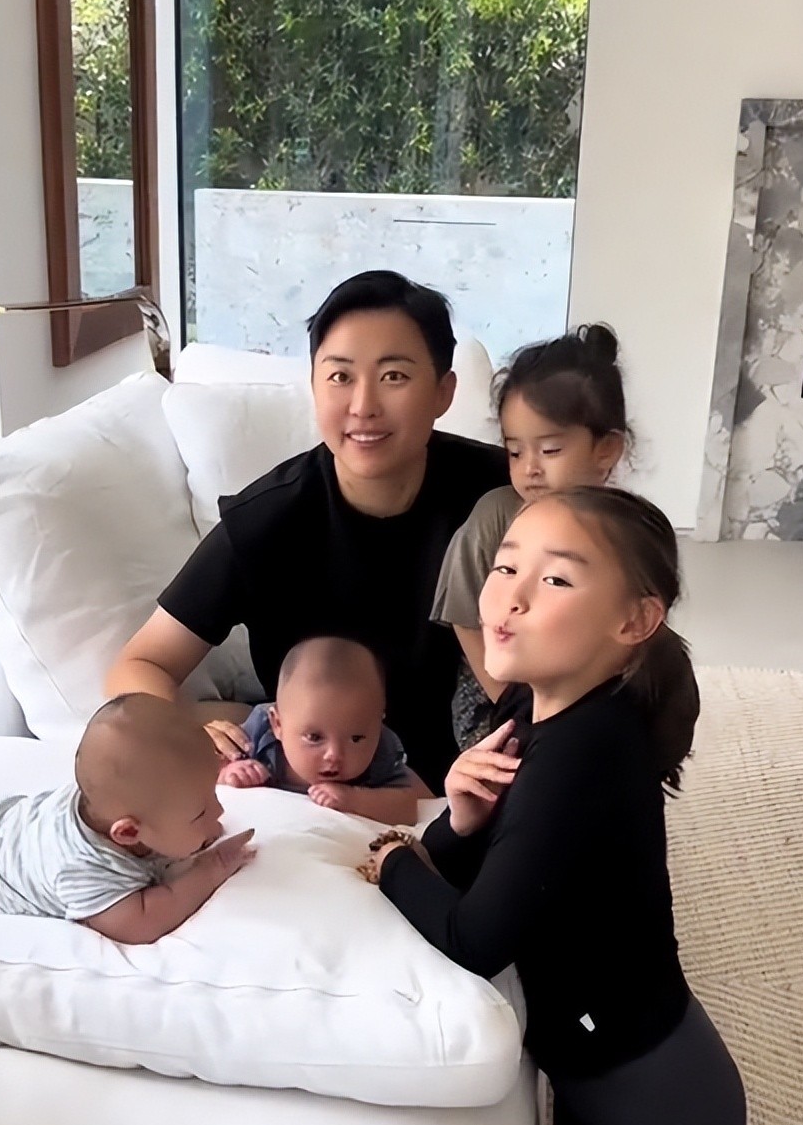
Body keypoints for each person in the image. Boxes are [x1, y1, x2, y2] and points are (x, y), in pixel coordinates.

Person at [358, 488, 803, 1125]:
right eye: (505, 568)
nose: (511, 597)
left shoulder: (585, 754)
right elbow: (473, 866)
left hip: (656, 1105)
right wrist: (456, 818)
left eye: (556, 580)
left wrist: (390, 861)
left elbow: (475, 935)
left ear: (635, 620)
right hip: (604, 1078)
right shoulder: (533, 707)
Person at [105, 270, 508, 793]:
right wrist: (190, 732)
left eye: (394, 376)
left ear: (443, 391)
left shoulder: (501, 495)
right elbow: (139, 664)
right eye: (340, 377)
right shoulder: (268, 522)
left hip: (479, 782)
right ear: (315, 387)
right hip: (310, 792)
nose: (363, 405)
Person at [0, 694, 255, 944]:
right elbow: (141, 923)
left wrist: (196, 826)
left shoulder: (112, 802)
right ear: (128, 832)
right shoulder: (82, 868)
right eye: (200, 812)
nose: (220, 812)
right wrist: (212, 867)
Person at [431, 324, 628, 747]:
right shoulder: (496, 515)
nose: (530, 468)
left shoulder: (621, 528)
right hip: (502, 695)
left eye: (550, 450)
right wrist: (511, 700)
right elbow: (464, 617)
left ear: (606, 449)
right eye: (515, 451)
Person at [218, 637, 420, 825]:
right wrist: (229, 774)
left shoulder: (381, 750)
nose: (334, 754)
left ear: (378, 724)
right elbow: (206, 775)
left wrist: (353, 799)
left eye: (356, 738)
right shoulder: (259, 735)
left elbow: (407, 808)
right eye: (314, 737)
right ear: (277, 725)